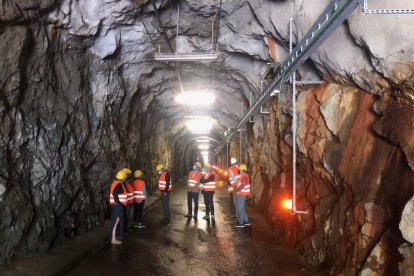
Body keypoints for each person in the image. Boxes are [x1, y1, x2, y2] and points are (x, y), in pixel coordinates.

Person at [109, 170, 128, 244]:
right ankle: (113, 239)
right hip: (118, 206)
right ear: (122, 178)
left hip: (116, 205)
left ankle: (115, 237)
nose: (125, 179)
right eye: (124, 178)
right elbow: (114, 193)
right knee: (116, 221)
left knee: (116, 221)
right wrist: (119, 202)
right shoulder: (119, 184)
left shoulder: (115, 183)